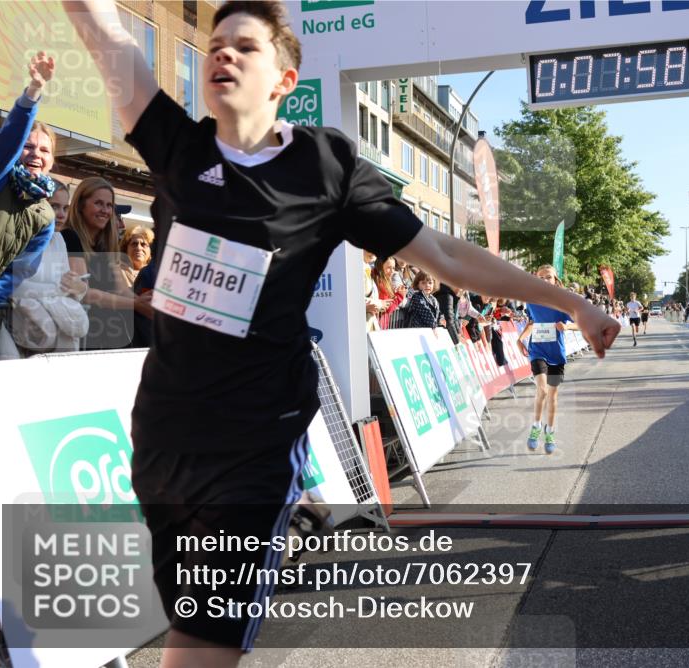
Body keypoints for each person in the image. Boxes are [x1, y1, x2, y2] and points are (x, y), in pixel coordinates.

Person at [66, 2, 620, 664]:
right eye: (215, 45)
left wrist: (569, 303)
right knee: (189, 622)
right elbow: (104, 32)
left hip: (257, 443)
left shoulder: (323, 168)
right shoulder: (179, 148)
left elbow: (445, 256)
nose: (223, 54)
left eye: (245, 46)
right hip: (164, 439)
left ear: (284, 81)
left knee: (202, 641)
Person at [0, 53, 57, 355]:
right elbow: (9, 137)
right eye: (28, 147)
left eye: (44, 150)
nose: (36, 154)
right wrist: (34, 91)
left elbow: (17, 271)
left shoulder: (46, 216)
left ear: (52, 161)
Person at [0, 179, 89, 358]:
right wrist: (57, 291)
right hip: (17, 329)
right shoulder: (17, 236)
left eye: (65, 208)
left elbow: (68, 289)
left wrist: (79, 288)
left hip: (52, 336)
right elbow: (12, 287)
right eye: (54, 206)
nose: (61, 214)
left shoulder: (59, 240)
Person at [61, 177, 152, 349]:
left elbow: (121, 290)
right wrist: (136, 304)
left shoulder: (106, 244)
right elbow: (84, 293)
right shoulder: (70, 237)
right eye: (98, 203)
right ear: (80, 205)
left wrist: (145, 302)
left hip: (111, 334)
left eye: (109, 205)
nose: (105, 210)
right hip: (85, 337)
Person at [516, 264, 582, 455]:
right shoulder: (531, 300)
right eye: (541, 277)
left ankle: (550, 431)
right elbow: (532, 322)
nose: (545, 280)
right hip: (537, 350)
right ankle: (536, 426)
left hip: (556, 354)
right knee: (542, 389)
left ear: (555, 280)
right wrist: (520, 338)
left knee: (552, 395)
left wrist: (567, 327)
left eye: (548, 277)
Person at [117, 225, 154, 290]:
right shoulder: (116, 271)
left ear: (150, 250)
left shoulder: (155, 274)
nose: (138, 248)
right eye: (134, 244)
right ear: (126, 249)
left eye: (143, 244)